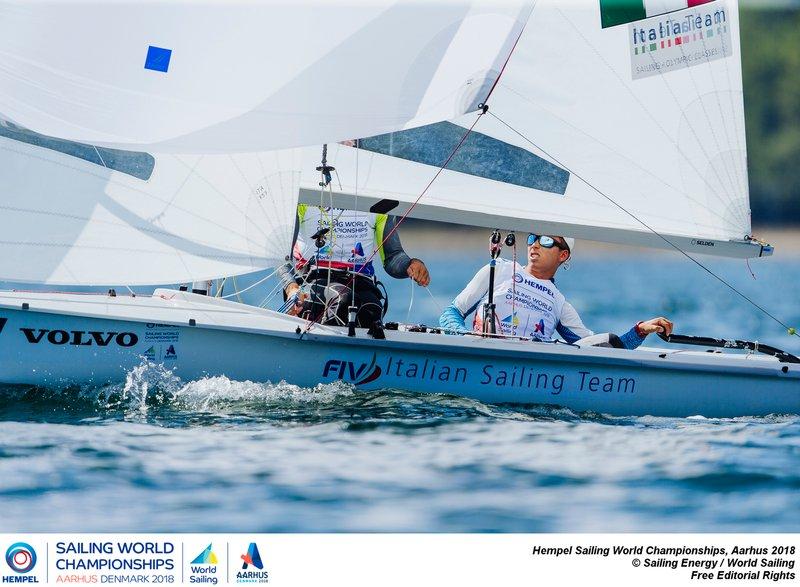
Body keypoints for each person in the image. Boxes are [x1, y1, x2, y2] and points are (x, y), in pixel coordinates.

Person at [439, 233, 673, 349]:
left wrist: (640, 331)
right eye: (533, 237)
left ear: (563, 255)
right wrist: (465, 338)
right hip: (480, 352)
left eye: (546, 240)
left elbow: (605, 347)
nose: (535, 244)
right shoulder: (497, 268)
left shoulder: (559, 303)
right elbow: (450, 314)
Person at [279, 205, 430, 327]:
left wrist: (409, 265)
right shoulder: (305, 196)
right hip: (312, 281)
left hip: (361, 281)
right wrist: (291, 287)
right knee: (343, 299)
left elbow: (392, 257)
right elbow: (280, 253)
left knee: (372, 309)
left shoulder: (379, 201)